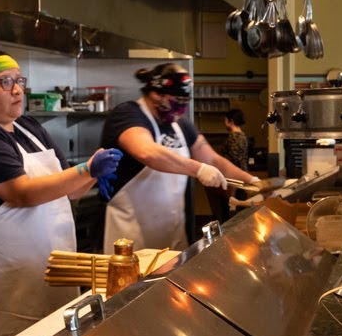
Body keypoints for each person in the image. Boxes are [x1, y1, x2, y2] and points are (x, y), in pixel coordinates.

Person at [0, 49, 121, 336]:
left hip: (41, 272)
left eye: (19, 80)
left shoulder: (29, 129)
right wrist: (86, 169)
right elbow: (22, 193)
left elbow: (69, 191)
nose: (18, 90)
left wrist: (92, 175)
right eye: (4, 82)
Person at [100, 63, 259, 252]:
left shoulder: (180, 125)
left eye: (184, 102)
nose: (180, 109)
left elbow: (212, 160)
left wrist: (252, 182)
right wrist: (198, 169)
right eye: (176, 101)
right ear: (156, 94)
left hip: (172, 236)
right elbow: (147, 152)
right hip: (130, 239)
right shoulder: (128, 115)